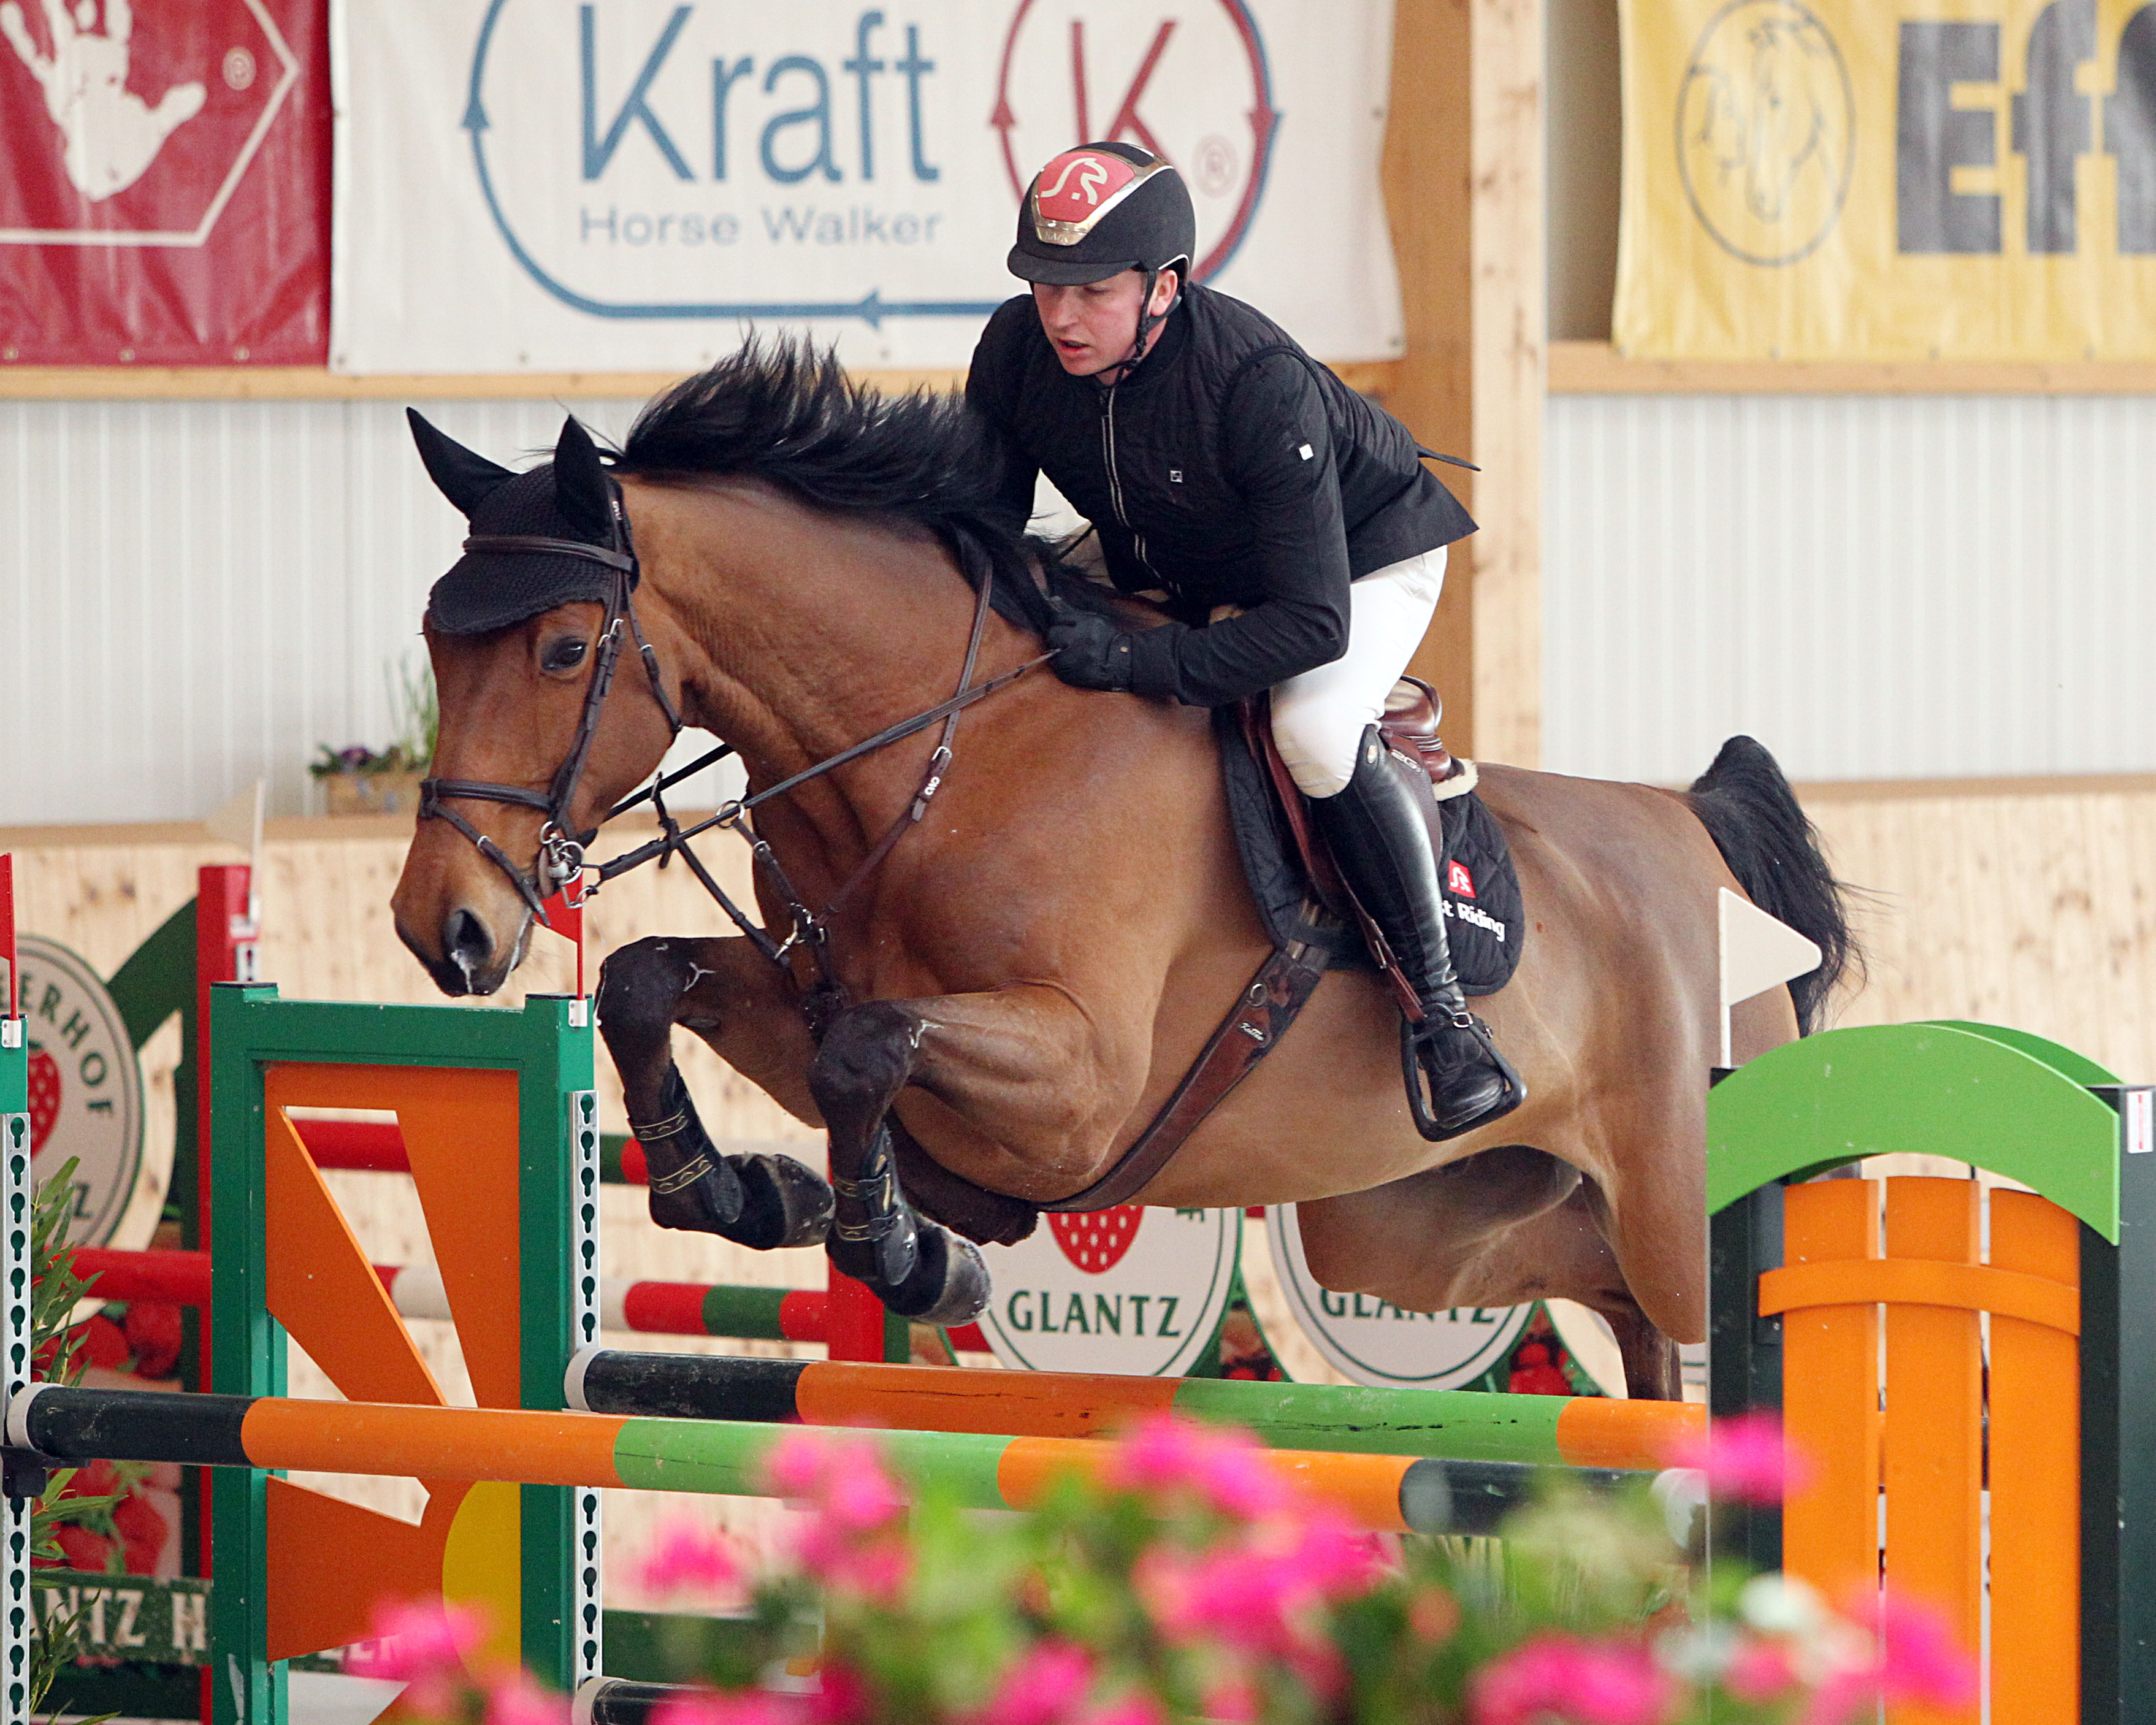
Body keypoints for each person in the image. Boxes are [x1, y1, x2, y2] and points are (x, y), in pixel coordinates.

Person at [965, 141, 1519, 1139]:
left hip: (1351, 564)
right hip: (1184, 554)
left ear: (1165, 286)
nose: (1059, 315)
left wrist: (1140, 661)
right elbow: (987, 539)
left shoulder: (1256, 384)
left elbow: (1311, 625)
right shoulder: (1015, 354)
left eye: (1089, 290)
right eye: (1045, 285)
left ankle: (1444, 1019)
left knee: (1310, 727)